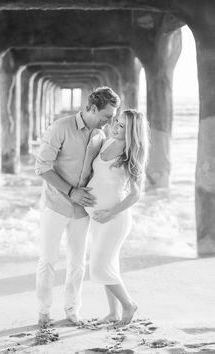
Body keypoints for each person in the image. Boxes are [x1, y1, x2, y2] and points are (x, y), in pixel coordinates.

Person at [35, 87, 121, 327]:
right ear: (92, 108)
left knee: (77, 263)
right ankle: (43, 311)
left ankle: (72, 310)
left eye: (113, 116)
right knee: (48, 259)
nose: (110, 120)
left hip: (82, 210)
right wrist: (71, 191)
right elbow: (42, 167)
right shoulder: (60, 127)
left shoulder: (100, 136)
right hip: (55, 204)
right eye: (107, 115)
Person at [85, 109, 149, 326]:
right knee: (109, 266)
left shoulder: (130, 157)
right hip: (97, 218)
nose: (116, 126)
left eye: (122, 126)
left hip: (115, 219)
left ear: (131, 131)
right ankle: (112, 313)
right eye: (117, 122)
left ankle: (129, 305)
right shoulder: (106, 142)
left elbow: (135, 195)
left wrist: (110, 212)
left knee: (99, 266)